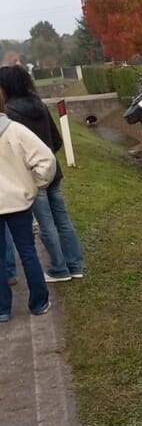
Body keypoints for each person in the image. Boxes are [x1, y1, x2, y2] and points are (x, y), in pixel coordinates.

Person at [0, 66, 84, 281]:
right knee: (63, 219)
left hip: (32, 177)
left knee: (45, 224)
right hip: (53, 172)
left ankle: (59, 268)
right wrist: (47, 164)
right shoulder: (39, 104)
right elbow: (56, 140)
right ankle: (75, 265)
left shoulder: (9, 113)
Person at [0, 93, 54, 322]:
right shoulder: (15, 131)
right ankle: (39, 302)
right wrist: (35, 184)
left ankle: (2, 309)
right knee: (28, 252)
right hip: (18, 202)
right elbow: (46, 159)